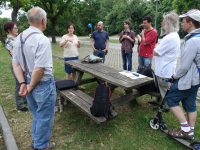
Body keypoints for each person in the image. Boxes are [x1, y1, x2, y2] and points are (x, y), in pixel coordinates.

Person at [12, 7, 56, 150]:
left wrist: (23, 83)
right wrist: (29, 86)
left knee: (37, 114)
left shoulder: (19, 38)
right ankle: (42, 146)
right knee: (44, 117)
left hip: (26, 79)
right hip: (42, 83)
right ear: (43, 20)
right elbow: (39, 69)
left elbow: (16, 64)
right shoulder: (41, 40)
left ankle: (36, 141)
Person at [165, 9, 200, 140]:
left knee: (171, 98)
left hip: (189, 79)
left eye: (183, 21)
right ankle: (191, 130)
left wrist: (174, 77)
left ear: (190, 22)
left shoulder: (192, 41)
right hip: (196, 80)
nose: (182, 23)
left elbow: (184, 67)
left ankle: (185, 130)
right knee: (190, 103)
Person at [154, 12, 180, 101]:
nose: (162, 25)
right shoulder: (175, 35)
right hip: (168, 70)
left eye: (164, 23)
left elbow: (155, 52)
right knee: (165, 91)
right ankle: (165, 104)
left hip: (163, 71)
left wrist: (157, 46)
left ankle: (166, 106)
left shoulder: (168, 38)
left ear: (169, 24)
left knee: (165, 92)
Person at [4, 22, 28, 112]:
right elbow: (13, 53)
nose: (17, 29)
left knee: (25, 82)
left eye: (17, 28)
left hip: (23, 63)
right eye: (15, 28)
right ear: (9, 30)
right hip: (16, 65)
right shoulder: (9, 41)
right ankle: (20, 105)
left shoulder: (17, 38)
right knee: (19, 84)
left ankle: (25, 100)